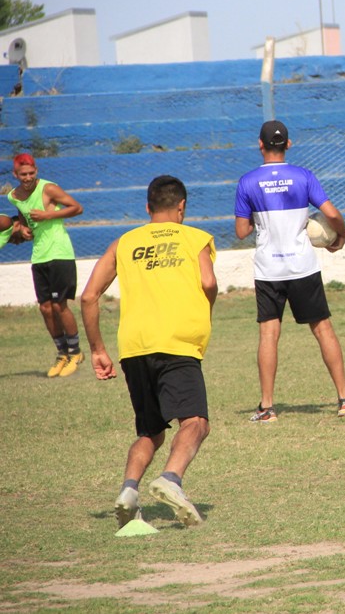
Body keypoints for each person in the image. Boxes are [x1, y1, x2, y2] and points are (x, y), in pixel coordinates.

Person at [80, 175, 217, 528]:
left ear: (148, 207)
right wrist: (205, 311)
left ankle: (129, 491)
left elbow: (89, 296)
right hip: (176, 342)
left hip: (134, 348)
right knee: (196, 422)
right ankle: (171, 479)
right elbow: (208, 282)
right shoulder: (195, 238)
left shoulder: (124, 242)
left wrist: (97, 349)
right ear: (181, 207)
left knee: (151, 432)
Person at [234, 120, 345, 423]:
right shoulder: (303, 176)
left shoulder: (247, 182)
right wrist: (341, 236)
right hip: (302, 266)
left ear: (260, 145)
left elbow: (241, 231)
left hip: (269, 269)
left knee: (269, 333)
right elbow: (331, 214)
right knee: (323, 328)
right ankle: (344, 400)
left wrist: (258, 219)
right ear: (288, 144)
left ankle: (267, 407)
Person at [8, 153, 85, 377]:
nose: (28, 177)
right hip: (39, 255)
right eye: (23, 174)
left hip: (59, 253)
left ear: (36, 171)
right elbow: (23, 216)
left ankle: (75, 352)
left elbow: (77, 208)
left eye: (31, 173)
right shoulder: (14, 196)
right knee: (45, 308)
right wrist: (24, 228)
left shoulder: (48, 188)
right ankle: (62, 353)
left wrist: (47, 215)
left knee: (60, 305)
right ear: (15, 174)